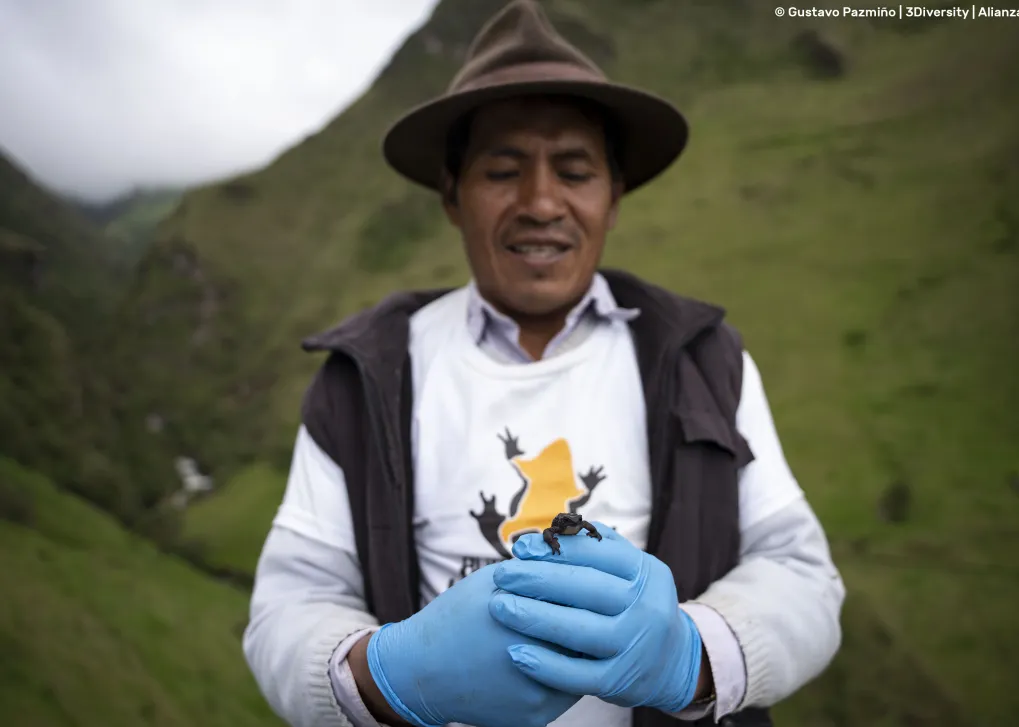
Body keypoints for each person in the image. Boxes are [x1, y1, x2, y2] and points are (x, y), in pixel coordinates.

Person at [242, 2, 845, 727]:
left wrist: (693, 655)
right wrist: (388, 674)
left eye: (575, 170)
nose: (540, 202)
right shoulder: (365, 376)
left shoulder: (706, 360)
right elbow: (290, 602)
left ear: (613, 197)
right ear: (451, 196)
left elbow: (802, 572)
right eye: (502, 170)